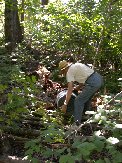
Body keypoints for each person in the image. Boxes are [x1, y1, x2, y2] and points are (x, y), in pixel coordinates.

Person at [58, 60, 103, 126]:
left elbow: (69, 89)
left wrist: (65, 104)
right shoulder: (76, 65)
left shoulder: (69, 72)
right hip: (98, 79)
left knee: (78, 101)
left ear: (64, 69)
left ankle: (76, 124)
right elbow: (83, 79)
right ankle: (85, 116)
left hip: (92, 82)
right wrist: (77, 88)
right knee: (87, 98)